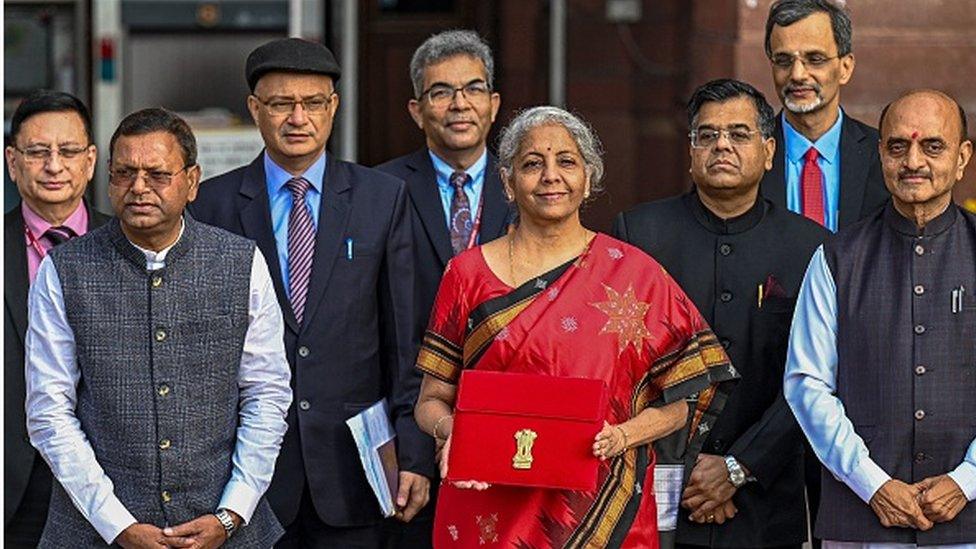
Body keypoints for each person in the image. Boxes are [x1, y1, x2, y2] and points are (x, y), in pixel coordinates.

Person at [413, 106, 737, 548]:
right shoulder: (467, 275)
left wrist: (623, 435)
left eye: (566, 161)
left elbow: (686, 397)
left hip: (602, 507)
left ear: (589, 178)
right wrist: (456, 433)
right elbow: (431, 400)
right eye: (532, 163)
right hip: (488, 509)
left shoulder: (635, 275)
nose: (551, 175)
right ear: (508, 183)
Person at [189, 38, 427, 548]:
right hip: (246, 477)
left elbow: (405, 341)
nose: (298, 117)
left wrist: (414, 453)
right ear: (255, 109)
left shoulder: (380, 199)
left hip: (355, 471)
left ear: (333, 107)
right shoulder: (212, 204)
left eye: (313, 103)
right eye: (280, 104)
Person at [26, 107, 291, 548]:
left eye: (157, 174)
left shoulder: (240, 262)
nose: (139, 187)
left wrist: (232, 512)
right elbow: (49, 412)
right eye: (125, 173)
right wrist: (116, 524)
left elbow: (267, 395)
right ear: (108, 178)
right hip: (92, 531)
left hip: (227, 529)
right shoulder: (64, 269)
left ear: (192, 181)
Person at [615, 79, 827, 549]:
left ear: (770, 151)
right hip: (659, 493)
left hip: (766, 499)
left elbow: (816, 378)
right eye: (706, 135)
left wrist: (739, 467)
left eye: (739, 134)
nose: (722, 146)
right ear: (690, 152)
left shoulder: (810, 247)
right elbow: (621, 368)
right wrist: (689, 468)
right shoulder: (639, 235)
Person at [784, 89, 976, 547]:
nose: (913, 161)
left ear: (963, 156)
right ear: (880, 155)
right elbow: (806, 383)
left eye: (933, 146)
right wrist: (872, 483)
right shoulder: (836, 257)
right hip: (862, 516)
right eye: (897, 147)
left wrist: (967, 480)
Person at [374, 29, 512, 548]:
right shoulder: (379, 191)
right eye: (440, 92)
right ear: (416, 109)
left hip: (508, 421)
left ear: (494, 104)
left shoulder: (528, 186)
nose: (459, 104)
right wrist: (412, 440)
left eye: (473, 89)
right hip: (409, 424)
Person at [4, 89, 110, 548]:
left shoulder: (132, 244)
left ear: (89, 161)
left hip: (116, 484)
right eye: (37, 152)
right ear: (12, 162)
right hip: (16, 484)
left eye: (68, 151)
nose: (54, 165)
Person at [760, 0, 888, 232]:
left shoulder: (882, 155)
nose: (797, 74)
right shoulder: (748, 154)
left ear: (845, 68)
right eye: (783, 60)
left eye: (815, 59)